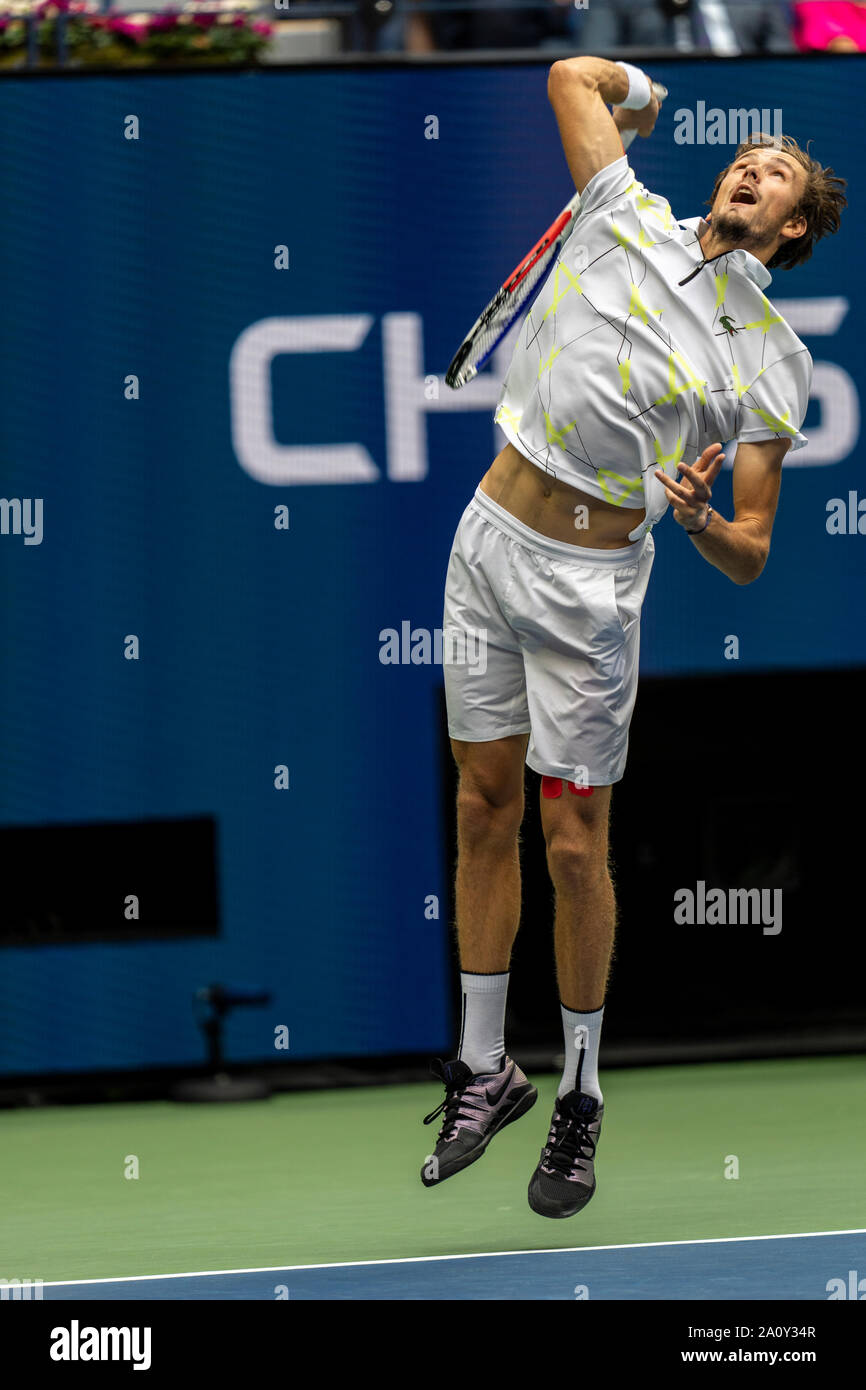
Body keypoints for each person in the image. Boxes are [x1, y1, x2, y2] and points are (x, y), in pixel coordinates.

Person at [421, 57, 846, 1218]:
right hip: (484, 540)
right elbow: (571, 75)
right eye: (742, 160)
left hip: (590, 584)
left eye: (773, 177)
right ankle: (480, 1065)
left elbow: (751, 544)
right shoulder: (622, 211)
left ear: (792, 224)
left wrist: (707, 517)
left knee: (570, 845)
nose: (748, 173)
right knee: (478, 807)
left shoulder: (771, 359)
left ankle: (581, 1091)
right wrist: (643, 101)